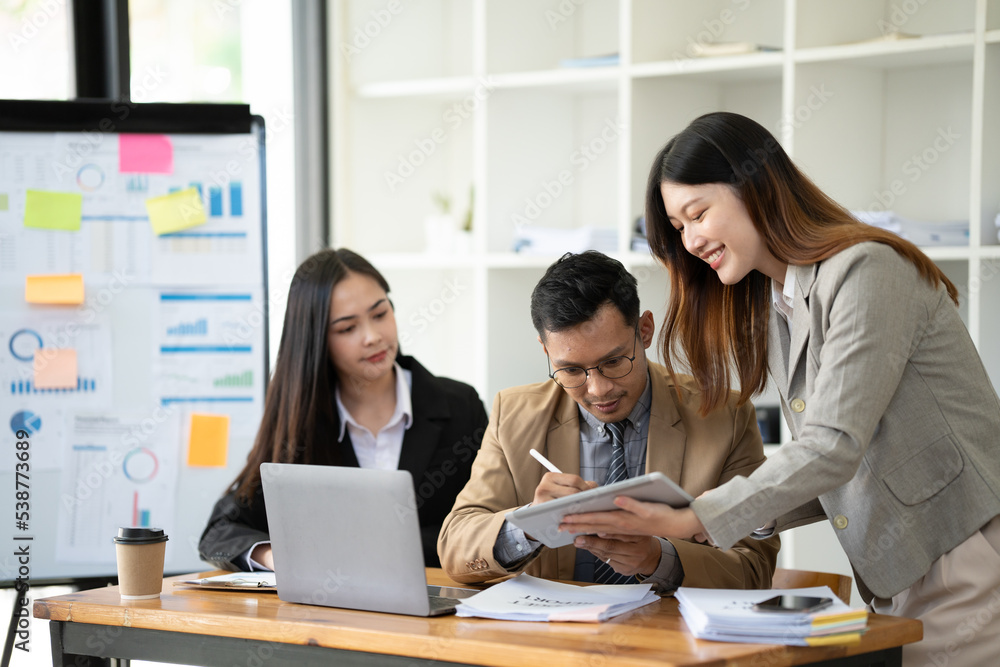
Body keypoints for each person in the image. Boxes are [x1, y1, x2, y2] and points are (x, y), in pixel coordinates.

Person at [560, 112, 1000, 665]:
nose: (691, 241)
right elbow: (846, 457)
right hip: (905, 570)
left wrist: (697, 516)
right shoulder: (781, 303)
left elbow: (834, 445)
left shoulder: (866, 271)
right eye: (677, 228)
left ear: (756, 187)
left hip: (966, 553)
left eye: (698, 214)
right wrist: (709, 513)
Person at [437, 251, 779, 592]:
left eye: (614, 361)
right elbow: (455, 546)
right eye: (571, 370)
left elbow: (754, 567)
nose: (598, 389)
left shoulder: (725, 414)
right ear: (545, 350)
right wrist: (528, 524)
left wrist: (659, 559)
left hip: (671, 637)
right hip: (553, 636)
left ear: (645, 331)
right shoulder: (513, 414)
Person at [199, 248, 487, 571]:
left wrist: (369, 549)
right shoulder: (301, 423)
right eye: (347, 328)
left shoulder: (460, 406)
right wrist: (278, 556)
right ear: (316, 340)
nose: (373, 337)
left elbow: (487, 523)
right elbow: (220, 533)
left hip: (437, 607)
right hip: (331, 615)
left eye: (380, 314)